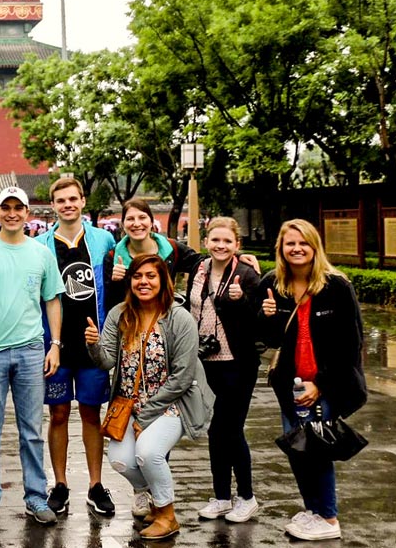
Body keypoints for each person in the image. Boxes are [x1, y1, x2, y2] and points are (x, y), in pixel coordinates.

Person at [85, 254, 214, 541]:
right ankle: (156, 496)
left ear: (163, 281)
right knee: (120, 460)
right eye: (138, 276)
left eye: (151, 276)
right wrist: (92, 345)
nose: (144, 282)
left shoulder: (179, 317)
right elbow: (106, 361)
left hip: (172, 403)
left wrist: (146, 416)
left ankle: (167, 515)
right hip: (129, 403)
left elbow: (182, 376)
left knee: (148, 453)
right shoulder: (120, 314)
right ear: (130, 281)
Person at [0, 186, 64, 527]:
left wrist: (56, 345)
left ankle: (36, 496)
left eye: (19, 207)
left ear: (27, 212)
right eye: (6, 207)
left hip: (32, 350)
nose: (12, 213)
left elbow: (52, 300)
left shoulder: (41, 253)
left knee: (32, 430)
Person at [259, 219, 366, 542]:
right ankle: (313, 509)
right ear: (281, 249)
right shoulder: (273, 284)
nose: (297, 249)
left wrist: (320, 384)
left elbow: (351, 343)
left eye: (303, 243)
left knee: (317, 449)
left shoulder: (336, 287)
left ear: (314, 247)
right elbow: (271, 341)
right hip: (289, 386)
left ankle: (329, 517)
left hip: (324, 384)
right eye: (290, 243)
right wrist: (268, 316)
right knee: (299, 449)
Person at [33, 177, 118, 516]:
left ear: (83, 201)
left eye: (73, 198)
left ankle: (96, 484)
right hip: (54, 342)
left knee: (90, 412)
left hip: (93, 344)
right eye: (61, 200)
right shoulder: (39, 244)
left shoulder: (104, 240)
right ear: (52, 205)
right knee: (57, 413)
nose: (67, 204)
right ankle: (60, 483)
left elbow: (148, 250)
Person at [185, 217, 263, 523]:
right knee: (216, 432)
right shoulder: (198, 269)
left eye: (227, 241)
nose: (221, 246)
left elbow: (260, 318)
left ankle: (246, 496)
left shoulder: (247, 275)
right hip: (205, 363)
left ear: (237, 245)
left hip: (238, 364)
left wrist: (242, 300)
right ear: (206, 241)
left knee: (228, 430)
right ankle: (220, 497)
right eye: (215, 240)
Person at [103, 199, 201, 306]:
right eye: (130, 219)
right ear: (123, 224)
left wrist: (191, 300)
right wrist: (116, 282)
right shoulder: (113, 258)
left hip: (167, 318)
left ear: (151, 222)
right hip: (130, 319)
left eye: (142, 217)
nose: (136, 224)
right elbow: (110, 304)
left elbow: (200, 264)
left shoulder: (171, 248)